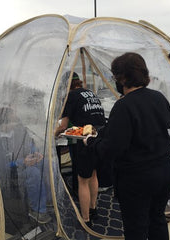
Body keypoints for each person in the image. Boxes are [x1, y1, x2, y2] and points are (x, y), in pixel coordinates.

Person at [84, 52, 170, 240]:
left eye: (116, 76)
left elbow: (112, 149)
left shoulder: (124, 106)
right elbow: (169, 117)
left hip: (137, 179)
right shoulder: (158, 97)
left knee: (136, 228)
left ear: (124, 78)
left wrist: (91, 141)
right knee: (157, 219)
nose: (115, 80)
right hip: (165, 171)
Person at [0, 107, 51, 232]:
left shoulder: (20, 131)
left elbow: (30, 144)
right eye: (12, 121)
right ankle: (37, 210)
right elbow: (1, 165)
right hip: (12, 172)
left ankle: (47, 200)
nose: (16, 123)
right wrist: (22, 162)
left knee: (49, 165)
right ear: (2, 123)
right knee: (34, 173)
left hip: (27, 162)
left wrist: (35, 153)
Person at [55, 72, 106, 227]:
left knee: (82, 180)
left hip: (84, 139)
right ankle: (93, 209)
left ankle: (85, 219)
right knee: (94, 174)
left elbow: (63, 126)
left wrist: (53, 134)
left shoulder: (72, 96)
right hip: (99, 137)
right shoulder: (90, 93)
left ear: (66, 85)